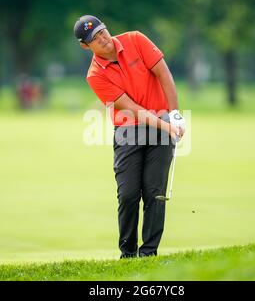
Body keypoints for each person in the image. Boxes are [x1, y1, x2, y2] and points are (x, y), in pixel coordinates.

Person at [74, 15, 186, 258]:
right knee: (127, 194)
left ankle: (148, 254)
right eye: (95, 38)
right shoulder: (95, 75)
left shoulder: (136, 39)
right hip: (128, 131)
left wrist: (174, 114)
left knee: (155, 192)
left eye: (103, 31)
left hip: (162, 123)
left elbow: (163, 73)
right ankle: (127, 254)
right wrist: (165, 126)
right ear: (85, 46)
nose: (103, 38)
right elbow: (130, 107)